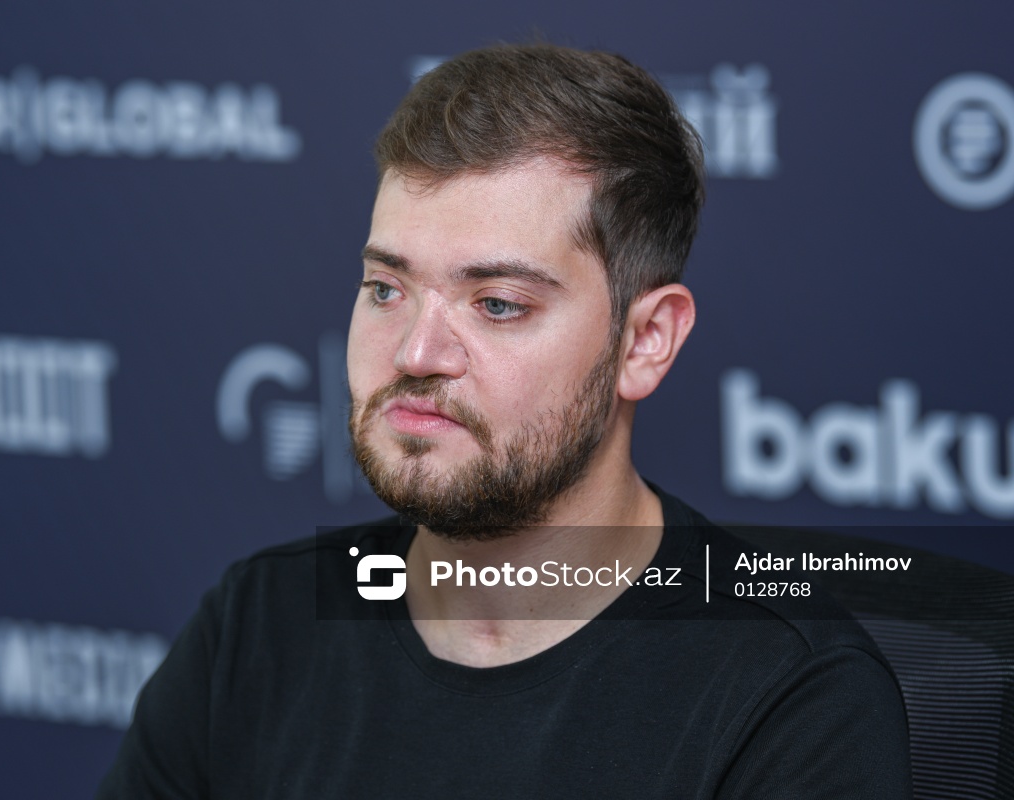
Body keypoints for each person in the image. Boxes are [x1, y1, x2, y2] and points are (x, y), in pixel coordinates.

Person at [98, 43, 911, 797]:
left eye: (496, 304)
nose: (415, 352)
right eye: (385, 289)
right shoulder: (255, 629)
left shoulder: (790, 697)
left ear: (645, 342)